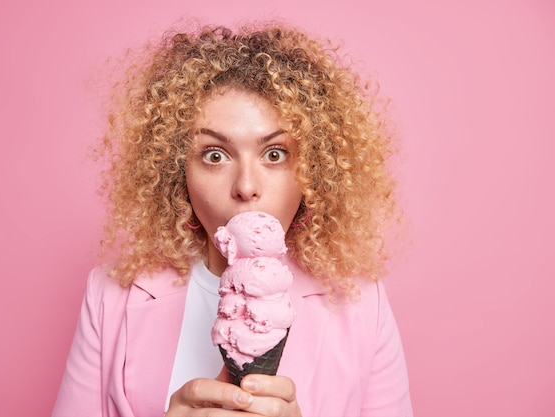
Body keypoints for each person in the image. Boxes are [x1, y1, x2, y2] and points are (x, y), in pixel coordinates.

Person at [53, 21, 413, 417]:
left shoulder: (362, 305)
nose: (245, 186)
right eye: (215, 155)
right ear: (179, 172)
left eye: (275, 154)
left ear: (312, 172)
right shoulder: (110, 295)